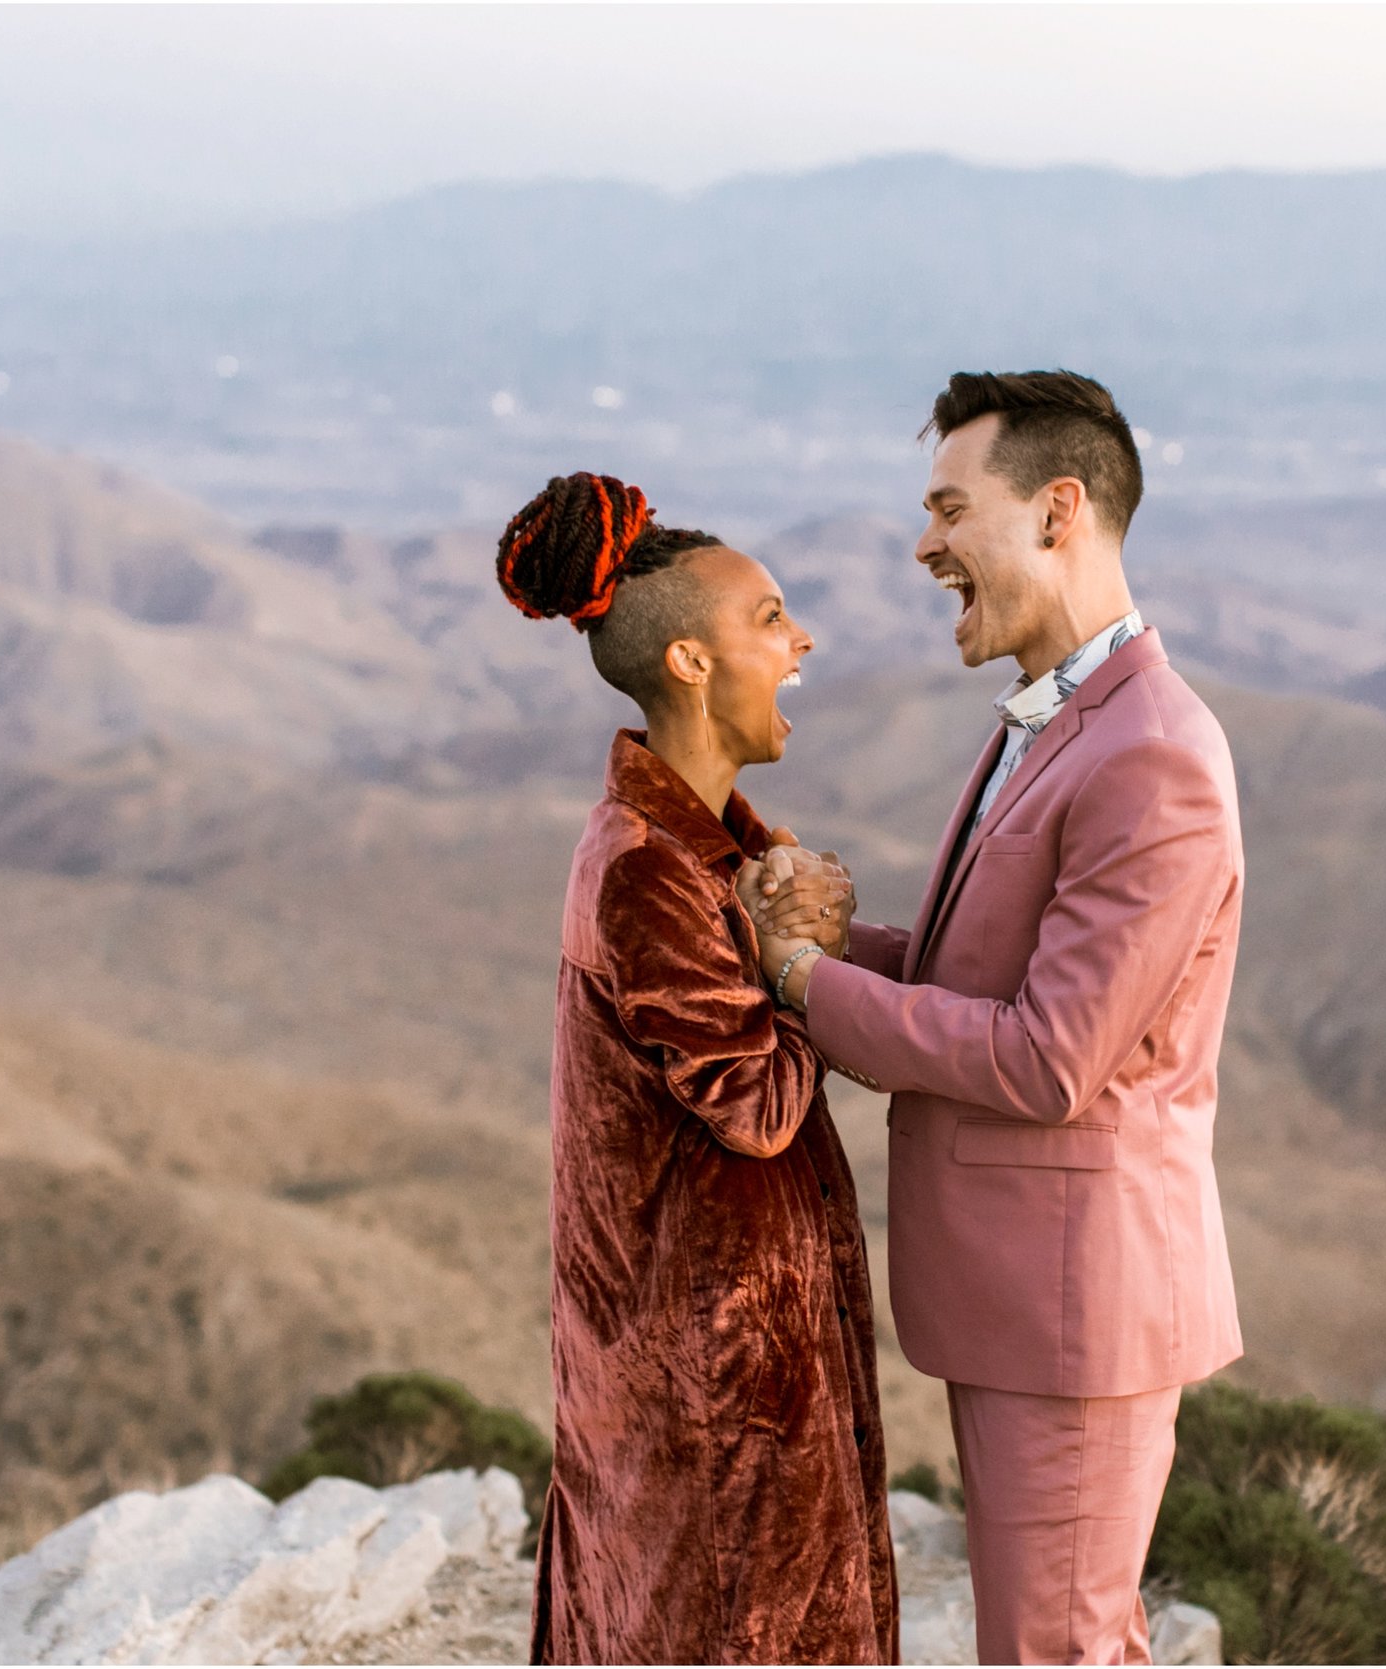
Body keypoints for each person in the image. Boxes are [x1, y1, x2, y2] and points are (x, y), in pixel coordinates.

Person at [744, 372, 1245, 1666]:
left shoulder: (1153, 754)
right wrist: (816, 944)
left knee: (1052, 1651)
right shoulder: (1054, 721)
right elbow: (988, 979)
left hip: (1076, 1304)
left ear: (1057, 511)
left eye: (950, 507)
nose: (925, 543)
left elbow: (1042, 1058)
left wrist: (806, 988)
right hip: (1029, 1296)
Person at [497, 471, 897, 1666]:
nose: (801, 637)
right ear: (687, 662)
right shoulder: (648, 870)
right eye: (768, 617)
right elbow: (760, 1103)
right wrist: (803, 956)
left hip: (741, 1377)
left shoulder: (701, 846)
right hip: (712, 1393)